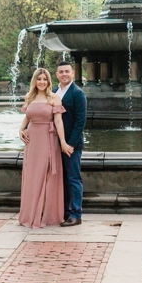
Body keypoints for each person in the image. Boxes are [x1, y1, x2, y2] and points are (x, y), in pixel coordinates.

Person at [17, 68, 73, 228]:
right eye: (39, 79)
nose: (42, 82)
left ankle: (47, 215)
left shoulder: (54, 98)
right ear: (35, 81)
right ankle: (31, 213)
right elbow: (27, 116)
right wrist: (20, 129)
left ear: (49, 81)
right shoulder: (30, 97)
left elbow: (58, 122)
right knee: (33, 176)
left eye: (45, 79)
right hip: (32, 141)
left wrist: (63, 142)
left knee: (47, 175)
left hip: (48, 140)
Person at [51, 61, 87, 226]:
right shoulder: (53, 92)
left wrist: (70, 144)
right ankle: (64, 211)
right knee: (61, 179)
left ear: (73, 74)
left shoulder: (77, 93)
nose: (64, 74)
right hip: (54, 143)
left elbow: (80, 122)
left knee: (73, 179)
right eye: (61, 72)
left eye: (67, 71)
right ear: (57, 75)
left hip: (72, 145)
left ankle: (75, 214)